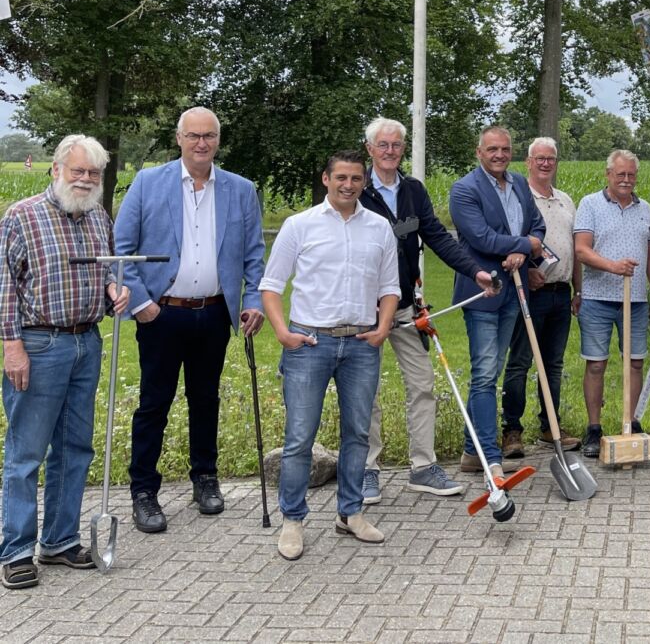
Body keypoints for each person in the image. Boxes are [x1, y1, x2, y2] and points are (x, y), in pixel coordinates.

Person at [113, 107, 266, 534]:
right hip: (162, 314)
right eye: (194, 136)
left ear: (219, 140)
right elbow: (121, 249)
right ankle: (144, 491)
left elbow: (255, 255)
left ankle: (205, 478)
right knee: (153, 404)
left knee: (206, 399)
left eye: (210, 136)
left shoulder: (240, 189)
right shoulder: (148, 183)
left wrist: (250, 300)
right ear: (179, 138)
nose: (202, 143)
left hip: (214, 312)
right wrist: (142, 304)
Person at [0, 136, 130, 589]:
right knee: (27, 452)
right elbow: (4, 287)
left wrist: (117, 290)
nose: (86, 180)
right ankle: (16, 550)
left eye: (93, 173)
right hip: (39, 345)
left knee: (76, 447)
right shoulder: (22, 216)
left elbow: (110, 271)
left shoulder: (98, 217)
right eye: (78, 171)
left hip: (85, 343)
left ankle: (58, 541)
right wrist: (11, 345)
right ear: (56, 169)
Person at [260, 150, 399, 560]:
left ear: (363, 183)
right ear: (326, 179)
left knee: (357, 434)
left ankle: (350, 513)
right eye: (341, 177)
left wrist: (384, 327)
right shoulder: (299, 226)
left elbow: (390, 287)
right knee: (300, 437)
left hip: (360, 345)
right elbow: (271, 284)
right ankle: (293, 520)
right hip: (310, 344)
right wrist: (283, 332)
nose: (348, 185)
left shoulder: (379, 228)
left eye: (356, 178)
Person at [357, 117, 494, 502]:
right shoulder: (356, 187)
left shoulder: (413, 190)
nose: (390, 151)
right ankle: (367, 469)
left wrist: (476, 271)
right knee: (366, 391)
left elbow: (435, 236)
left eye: (396, 145)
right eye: (382, 145)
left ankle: (423, 467)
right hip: (364, 310)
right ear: (370, 149)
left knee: (423, 385)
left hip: (404, 307)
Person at [448, 126, 545, 477]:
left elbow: (537, 226)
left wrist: (525, 249)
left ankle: (471, 451)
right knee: (486, 375)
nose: (500, 155)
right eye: (492, 149)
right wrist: (524, 246)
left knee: (490, 374)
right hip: (482, 294)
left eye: (505, 149)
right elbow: (482, 238)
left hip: (513, 293)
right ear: (479, 152)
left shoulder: (519, 184)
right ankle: (491, 456)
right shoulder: (464, 190)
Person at [574, 150, 650, 457]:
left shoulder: (645, 208)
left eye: (631, 175)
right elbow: (582, 251)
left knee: (635, 362)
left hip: (636, 301)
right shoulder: (590, 204)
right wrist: (613, 266)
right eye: (620, 174)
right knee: (597, 364)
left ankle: (631, 422)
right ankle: (594, 428)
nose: (626, 180)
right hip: (598, 298)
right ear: (608, 174)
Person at [500, 137, 582, 456]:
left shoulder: (565, 200)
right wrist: (527, 270)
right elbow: (514, 241)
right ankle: (512, 430)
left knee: (553, 364)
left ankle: (551, 426)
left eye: (551, 158)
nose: (546, 163)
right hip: (529, 291)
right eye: (540, 158)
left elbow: (574, 249)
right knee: (520, 361)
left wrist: (579, 289)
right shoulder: (521, 200)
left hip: (561, 293)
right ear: (528, 162)